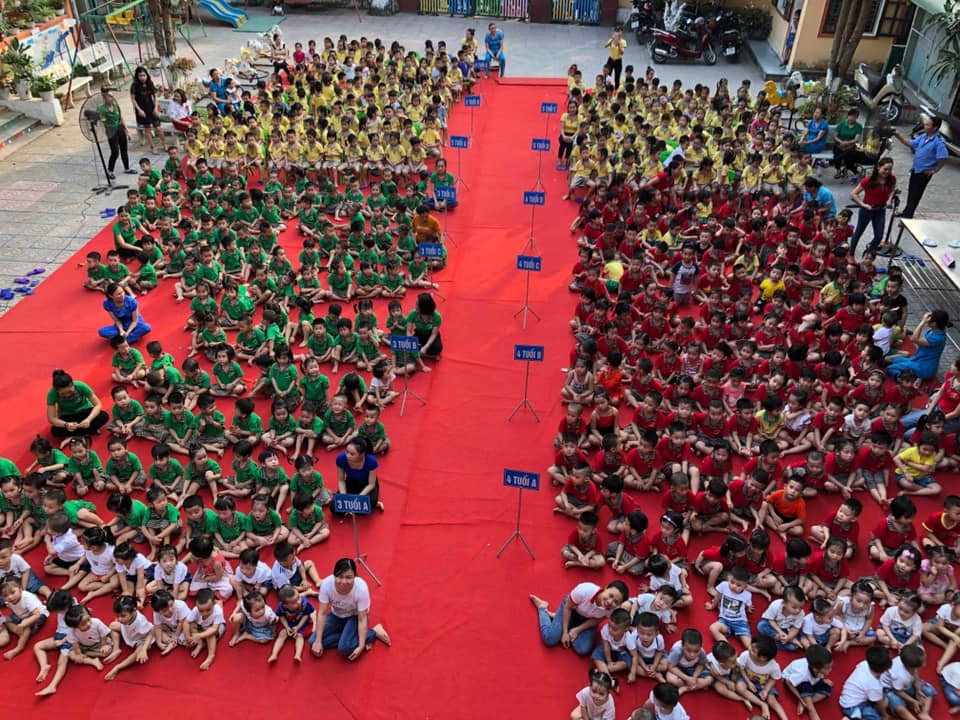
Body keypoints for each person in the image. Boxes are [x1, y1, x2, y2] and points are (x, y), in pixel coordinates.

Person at [309, 557, 390, 660]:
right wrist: (318, 641)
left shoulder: (361, 588)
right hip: (336, 615)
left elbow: (362, 619)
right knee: (312, 641)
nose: (343, 581)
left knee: (344, 648)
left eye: (348, 577)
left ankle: (373, 631)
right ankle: (350, 637)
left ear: (355, 576)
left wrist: (361, 645)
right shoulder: (326, 584)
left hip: (354, 616)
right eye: (340, 576)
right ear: (334, 575)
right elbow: (322, 613)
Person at [529, 579, 630, 656]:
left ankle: (560, 621)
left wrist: (577, 630)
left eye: (616, 602)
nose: (610, 602)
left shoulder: (613, 610)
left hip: (587, 619)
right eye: (610, 595)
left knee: (583, 649)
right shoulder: (584, 590)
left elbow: (597, 620)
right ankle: (542, 607)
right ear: (606, 587)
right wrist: (565, 633)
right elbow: (567, 608)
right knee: (550, 638)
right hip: (572, 610)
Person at [894, 114, 949, 219]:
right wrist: (898, 135)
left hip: (924, 172)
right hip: (916, 169)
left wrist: (935, 170)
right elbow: (911, 143)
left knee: (916, 194)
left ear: (935, 127)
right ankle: (906, 211)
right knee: (911, 192)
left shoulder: (938, 141)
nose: (925, 126)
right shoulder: (924, 136)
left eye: (928, 125)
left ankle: (908, 216)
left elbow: (943, 157)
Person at [849, 158, 897, 257]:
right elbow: (853, 193)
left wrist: (889, 199)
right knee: (858, 233)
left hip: (880, 210)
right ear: (878, 167)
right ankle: (851, 255)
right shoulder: (868, 180)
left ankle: (868, 255)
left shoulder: (891, 178)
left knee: (879, 235)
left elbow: (893, 189)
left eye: (890, 169)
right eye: (885, 169)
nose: (887, 172)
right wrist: (863, 204)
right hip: (867, 210)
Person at [886, 310, 950, 381]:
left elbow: (914, 339)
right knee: (890, 359)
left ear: (934, 324)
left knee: (890, 368)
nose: (927, 319)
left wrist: (922, 322)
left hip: (924, 367)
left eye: (929, 318)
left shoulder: (937, 337)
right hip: (917, 360)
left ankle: (905, 380)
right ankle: (913, 375)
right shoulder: (934, 330)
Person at [46, 369, 109, 439]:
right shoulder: (52, 393)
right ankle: (90, 430)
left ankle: (74, 434)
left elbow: (98, 405)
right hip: (67, 416)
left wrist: (89, 419)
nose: (67, 395)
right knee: (55, 430)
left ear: (72, 384)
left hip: (85, 411)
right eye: (63, 394)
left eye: (70, 392)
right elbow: (51, 418)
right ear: (57, 390)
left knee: (104, 416)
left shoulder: (81, 386)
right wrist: (66, 424)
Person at [335, 438, 382, 511]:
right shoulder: (341, 458)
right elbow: (341, 480)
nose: (347, 456)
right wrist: (343, 497)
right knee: (334, 506)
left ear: (362, 454)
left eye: (352, 454)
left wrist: (358, 498)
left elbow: (371, 484)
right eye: (346, 451)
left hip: (366, 483)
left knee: (370, 503)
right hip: (351, 481)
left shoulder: (371, 460)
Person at [97, 86, 134, 178]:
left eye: (113, 96)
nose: (112, 98)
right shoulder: (101, 108)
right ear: (104, 98)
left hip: (120, 128)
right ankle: (110, 171)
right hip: (111, 131)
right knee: (115, 152)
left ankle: (127, 168)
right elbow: (100, 119)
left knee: (124, 149)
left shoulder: (116, 106)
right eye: (110, 96)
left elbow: (121, 117)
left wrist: (127, 130)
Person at [129, 65, 162, 153]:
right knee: (147, 130)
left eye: (144, 75)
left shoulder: (150, 83)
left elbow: (155, 96)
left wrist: (155, 108)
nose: (142, 77)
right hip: (142, 110)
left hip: (151, 108)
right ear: (137, 76)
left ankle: (164, 144)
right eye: (140, 76)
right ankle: (152, 147)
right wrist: (139, 110)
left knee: (158, 128)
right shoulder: (134, 86)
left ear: (147, 75)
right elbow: (133, 99)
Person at [407, 292, 442, 360]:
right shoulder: (412, 313)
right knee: (410, 346)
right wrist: (410, 341)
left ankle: (418, 353)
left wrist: (426, 347)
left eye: (417, 304)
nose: (415, 306)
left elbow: (434, 334)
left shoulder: (436, 316)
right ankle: (427, 356)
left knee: (437, 348)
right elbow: (408, 331)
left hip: (430, 334)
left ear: (424, 307)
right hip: (419, 334)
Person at [833, 108, 865, 178]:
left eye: (854, 116)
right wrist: (841, 142)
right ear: (848, 115)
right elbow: (835, 136)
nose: (852, 118)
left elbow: (856, 139)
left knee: (848, 155)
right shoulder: (842, 124)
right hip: (840, 144)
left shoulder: (858, 126)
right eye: (851, 116)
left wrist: (847, 143)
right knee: (837, 151)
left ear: (856, 118)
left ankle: (847, 169)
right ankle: (838, 170)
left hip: (851, 145)